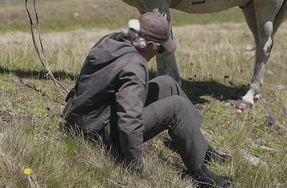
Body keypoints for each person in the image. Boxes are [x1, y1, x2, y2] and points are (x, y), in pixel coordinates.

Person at [62, 12, 233, 187]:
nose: (160, 54)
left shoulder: (113, 39)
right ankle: (199, 173)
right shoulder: (135, 65)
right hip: (95, 133)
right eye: (160, 49)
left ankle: (201, 150)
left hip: (85, 118)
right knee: (177, 107)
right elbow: (129, 122)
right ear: (149, 44)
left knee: (167, 83)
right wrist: (134, 165)